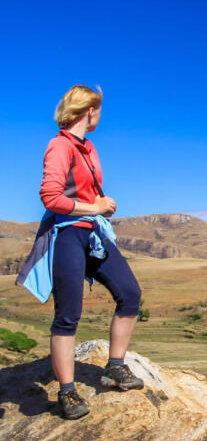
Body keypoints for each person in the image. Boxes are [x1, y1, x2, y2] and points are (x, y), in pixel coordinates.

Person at [16, 85, 144, 419]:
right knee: (68, 314)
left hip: (93, 234)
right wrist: (94, 206)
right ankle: (68, 392)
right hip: (67, 235)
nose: (100, 116)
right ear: (90, 110)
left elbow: (86, 195)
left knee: (129, 293)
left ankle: (115, 367)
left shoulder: (89, 149)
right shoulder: (59, 146)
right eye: (99, 111)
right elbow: (51, 197)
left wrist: (101, 206)